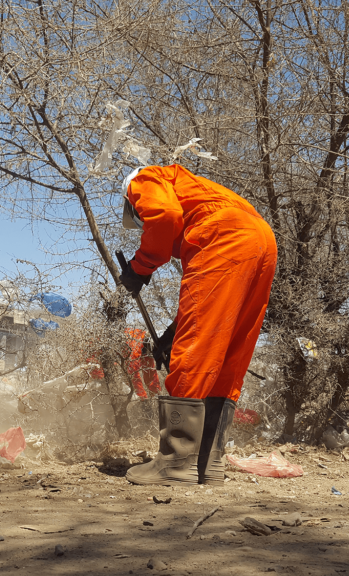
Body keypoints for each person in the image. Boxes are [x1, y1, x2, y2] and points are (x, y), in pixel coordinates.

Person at [118, 164, 277, 485]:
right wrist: (172, 333)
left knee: (194, 353)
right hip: (261, 241)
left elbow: (163, 217)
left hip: (224, 237)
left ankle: (176, 463)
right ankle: (208, 462)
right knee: (231, 349)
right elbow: (210, 315)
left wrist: (140, 267)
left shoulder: (143, 179)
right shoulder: (196, 193)